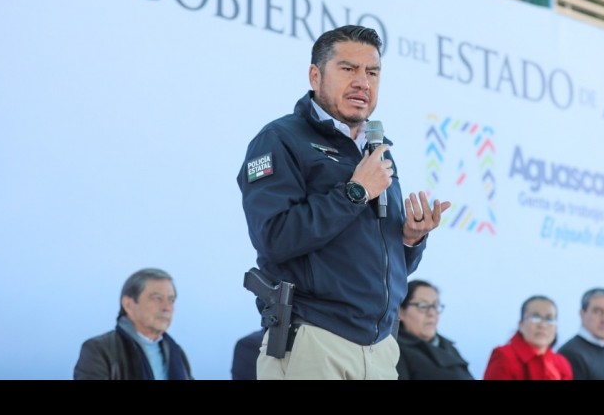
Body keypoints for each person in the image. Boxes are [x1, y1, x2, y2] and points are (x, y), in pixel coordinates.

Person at [237, 24, 450, 380]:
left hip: (380, 348)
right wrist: (355, 193)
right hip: (315, 340)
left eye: (372, 72)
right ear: (315, 75)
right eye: (348, 68)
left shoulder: (378, 151)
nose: (362, 82)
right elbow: (274, 236)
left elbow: (385, 267)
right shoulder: (280, 139)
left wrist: (410, 240)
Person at [73, 267, 193, 380]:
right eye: (157, 298)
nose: (167, 308)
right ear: (128, 305)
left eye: (171, 300)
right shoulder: (100, 350)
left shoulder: (176, 352)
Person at [396, 280, 474, 380]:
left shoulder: (448, 347)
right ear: (401, 312)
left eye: (435, 306)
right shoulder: (396, 350)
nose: (432, 313)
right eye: (423, 306)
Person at [483, 295, 573, 380]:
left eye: (549, 319)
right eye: (535, 317)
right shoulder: (504, 356)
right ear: (521, 324)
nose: (543, 325)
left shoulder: (561, 363)